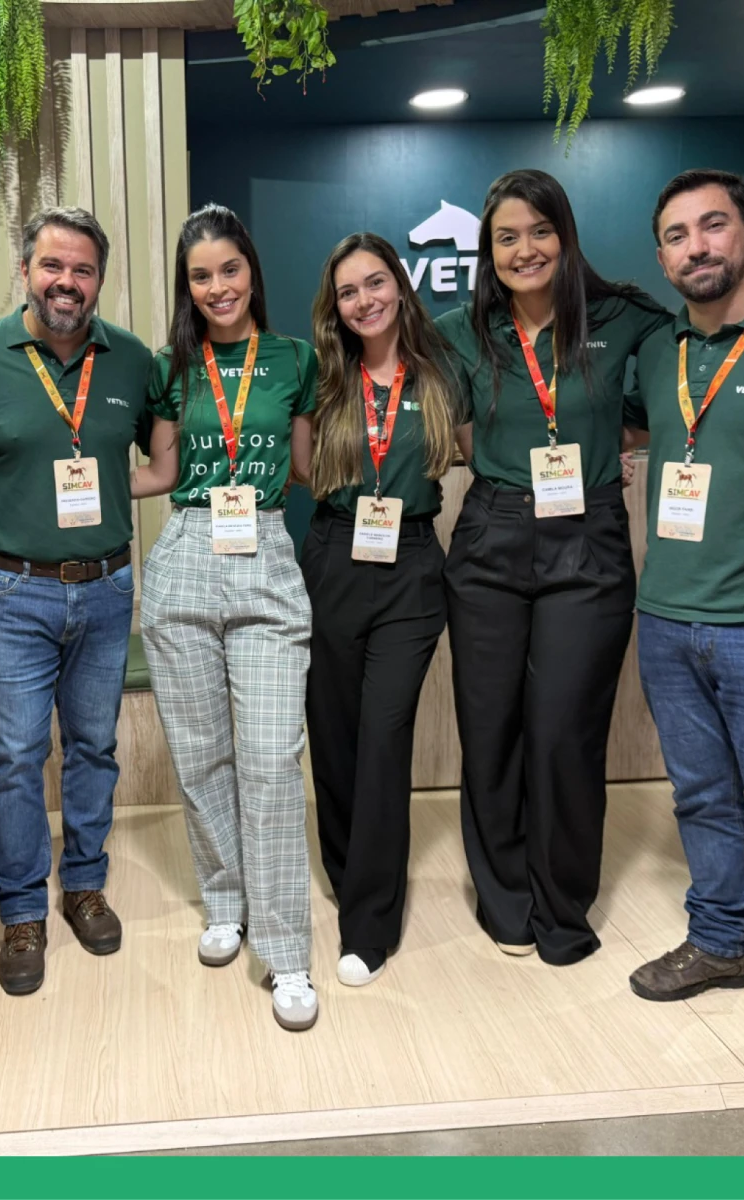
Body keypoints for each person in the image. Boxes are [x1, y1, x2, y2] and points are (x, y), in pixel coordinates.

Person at [436, 169, 669, 966]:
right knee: (490, 727)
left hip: (588, 538)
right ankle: (505, 902)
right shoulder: (462, 331)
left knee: (565, 730)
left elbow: (667, 404)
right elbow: (446, 424)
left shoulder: (624, 316)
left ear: (565, 236)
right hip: (492, 535)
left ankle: (561, 907)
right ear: (488, 250)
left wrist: (607, 445)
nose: (525, 249)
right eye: (507, 237)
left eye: (540, 231)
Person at [0, 208, 152, 997]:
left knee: (95, 748)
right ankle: (23, 910)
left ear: (100, 278)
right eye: (52, 266)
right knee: (16, 758)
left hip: (107, 588)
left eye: (83, 269)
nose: (67, 282)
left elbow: (169, 453)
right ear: (26, 270)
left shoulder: (131, 360)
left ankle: (85, 885)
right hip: (12, 592)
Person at [621, 169, 744, 1084]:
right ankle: (722, 942)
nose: (698, 247)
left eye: (714, 225)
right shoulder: (661, 350)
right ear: (661, 258)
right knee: (701, 798)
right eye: (678, 236)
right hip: (667, 622)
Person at [133, 204, 319, 1031]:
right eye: (201, 276)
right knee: (202, 755)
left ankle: (285, 950)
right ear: (188, 286)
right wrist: (54, 480)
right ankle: (225, 901)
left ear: (252, 270)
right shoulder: (172, 366)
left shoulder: (295, 359)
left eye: (229, 269)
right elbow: (159, 472)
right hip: (185, 551)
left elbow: (307, 466)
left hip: (267, 552)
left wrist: (405, 463)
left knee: (272, 761)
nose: (217, 287)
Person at [302, 233, 459, 987]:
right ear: (334, 307)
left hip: (412, 566)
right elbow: (298, 468)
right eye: (348, 292)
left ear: (400, 284)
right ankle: (348, 871)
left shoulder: (442, 373)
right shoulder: (323, 378)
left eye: (375, 283)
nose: (364, 300)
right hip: (334, 555)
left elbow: (483, 444)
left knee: (384, 737)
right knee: (334, 737)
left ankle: (367, 926)